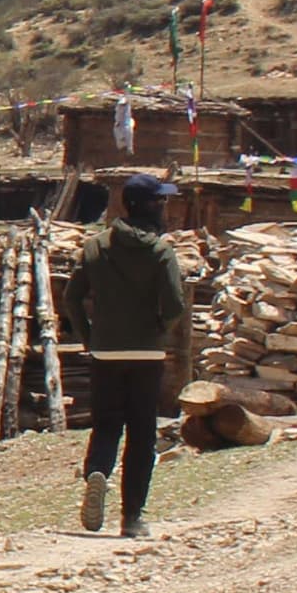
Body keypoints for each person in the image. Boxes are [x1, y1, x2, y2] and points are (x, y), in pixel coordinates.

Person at [66, 176, 188, 537]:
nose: (165, 208)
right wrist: (158, 328)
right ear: (147, 206)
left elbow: (72, 299)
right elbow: (176, 303)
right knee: (142, 433)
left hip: (106, 351)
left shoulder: (96, 247)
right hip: (147, 353)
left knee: (106, 424)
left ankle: (98, 472)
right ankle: (132, 518)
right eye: (161, 202)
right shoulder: (161, 252)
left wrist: (89, 337)